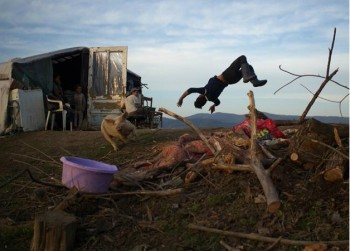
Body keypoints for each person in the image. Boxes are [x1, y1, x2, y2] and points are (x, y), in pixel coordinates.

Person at [177, 55, 267, 114]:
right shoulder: (204, 91)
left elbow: (218, 102)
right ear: (199, 97)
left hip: (232, 81)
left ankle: (254, 81)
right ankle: (249, 78)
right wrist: (181, 98)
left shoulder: (212, 98)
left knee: (248, 67)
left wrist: (213, 105)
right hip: (227, 76)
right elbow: (190, 90)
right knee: (242, 58)